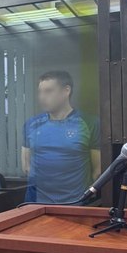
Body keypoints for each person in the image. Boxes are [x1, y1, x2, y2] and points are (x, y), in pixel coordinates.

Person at [22, 71, 100, 203]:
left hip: (76, 203)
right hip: (36, 203)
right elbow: (26, 167)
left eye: (48, 91)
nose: (42, 97)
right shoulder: (31, 125)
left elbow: (98, 170)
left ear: (66, 91)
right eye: (40, 92)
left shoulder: (90, 123)